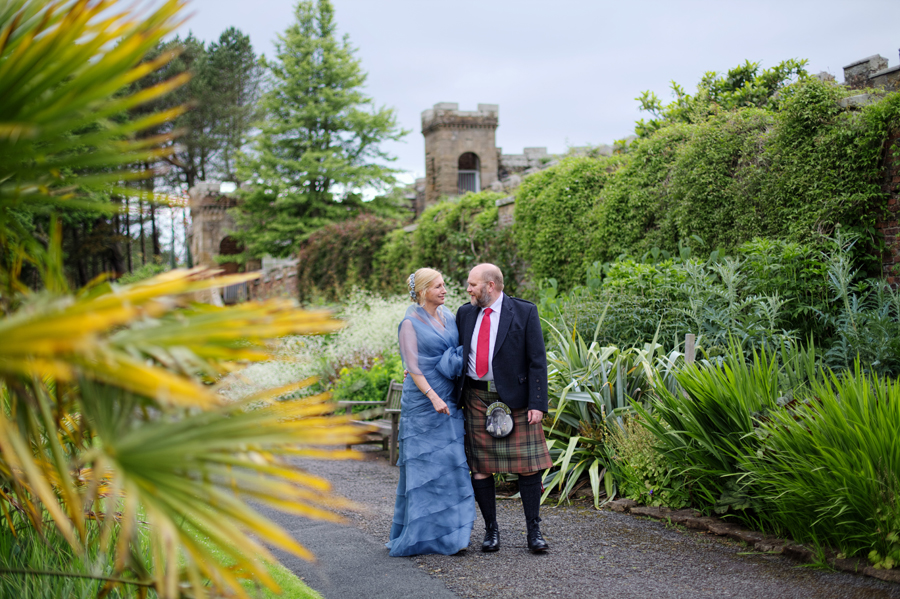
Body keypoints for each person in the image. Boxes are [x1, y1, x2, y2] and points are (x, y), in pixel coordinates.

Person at [455, 263, 553, 554]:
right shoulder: (464, 314)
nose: (468, 289)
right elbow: (451, 351)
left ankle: (533, 531)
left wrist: (538, 403)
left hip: (516, 400)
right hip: (475, 397)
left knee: (529, 467)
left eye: (473, 284)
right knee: (481, 469)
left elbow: (538, 361)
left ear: (491, 286)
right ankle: (491, 531)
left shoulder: (524, 312)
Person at [386, 268, 475, 556]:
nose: (444, 290)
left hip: (448, 395)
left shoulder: (449, 316)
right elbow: (413, 368)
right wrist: (434, 398)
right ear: (423, 291)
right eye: (438, 286)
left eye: (444, 285)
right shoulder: (409, 324)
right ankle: (421, 535)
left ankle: (453, 536)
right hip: (424, 403)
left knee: (450, 464)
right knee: (425, 469)